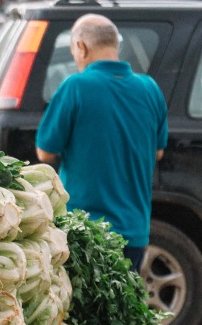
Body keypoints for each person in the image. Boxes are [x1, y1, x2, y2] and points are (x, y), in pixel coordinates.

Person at [33, 14, 167, 271]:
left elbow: (45, 152)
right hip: (134, 230)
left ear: (81, 47)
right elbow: (158, 152)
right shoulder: (150, 89)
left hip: (84, 231)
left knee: (82, 309)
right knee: (125, 307)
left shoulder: (76, 87)